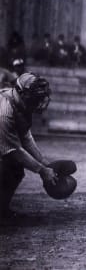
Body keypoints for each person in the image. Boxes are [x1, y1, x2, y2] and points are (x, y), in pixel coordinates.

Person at [0, 73, 58, 219]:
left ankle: (2, 210)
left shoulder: (20, 104)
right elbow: (13, 151)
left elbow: (26, 138)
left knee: (15, 169)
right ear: (21, 92)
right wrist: (42, 171)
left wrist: (45, 163)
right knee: (7, 167)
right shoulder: (5, 111)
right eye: (34, 98)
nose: (37, 102)